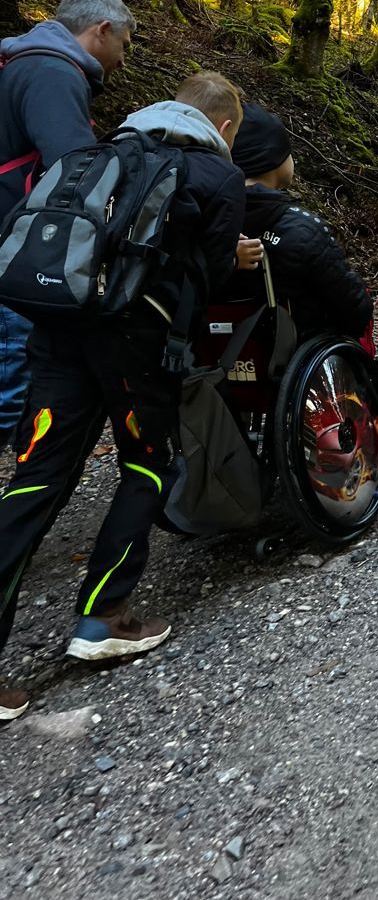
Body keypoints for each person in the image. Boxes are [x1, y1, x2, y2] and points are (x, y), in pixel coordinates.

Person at [0, 72, 246, 722]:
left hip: (57, 328)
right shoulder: (217, 176)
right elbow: (214, 275)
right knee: (142, 462)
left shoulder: (98, 152)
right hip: (135, 342)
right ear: (223, 128)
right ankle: (103, 615)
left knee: (37, 478)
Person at [0, 0, 135, 450]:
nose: (123, 59)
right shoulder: (53, 73)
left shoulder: (27, 61)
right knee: (12, 375)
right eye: (125, 44)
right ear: (102, 30)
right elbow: (75, 169)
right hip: (14, 247)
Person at [229, 101, 373, 339]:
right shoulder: (304, 231)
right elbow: (356, 310)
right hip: (296, 357)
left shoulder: (203, 221)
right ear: (273, 159)